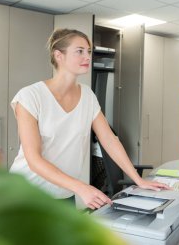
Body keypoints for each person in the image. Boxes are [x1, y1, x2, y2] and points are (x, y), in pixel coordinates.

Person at [10, 28, 168, 210]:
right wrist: (82, 188)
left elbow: (109, 139)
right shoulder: (30, 96)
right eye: (80, 51)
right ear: (59, 55)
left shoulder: (87, 95)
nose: (87, 57)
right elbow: (33, 159)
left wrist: (138, 179)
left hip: (63, 192)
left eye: (89, 51)